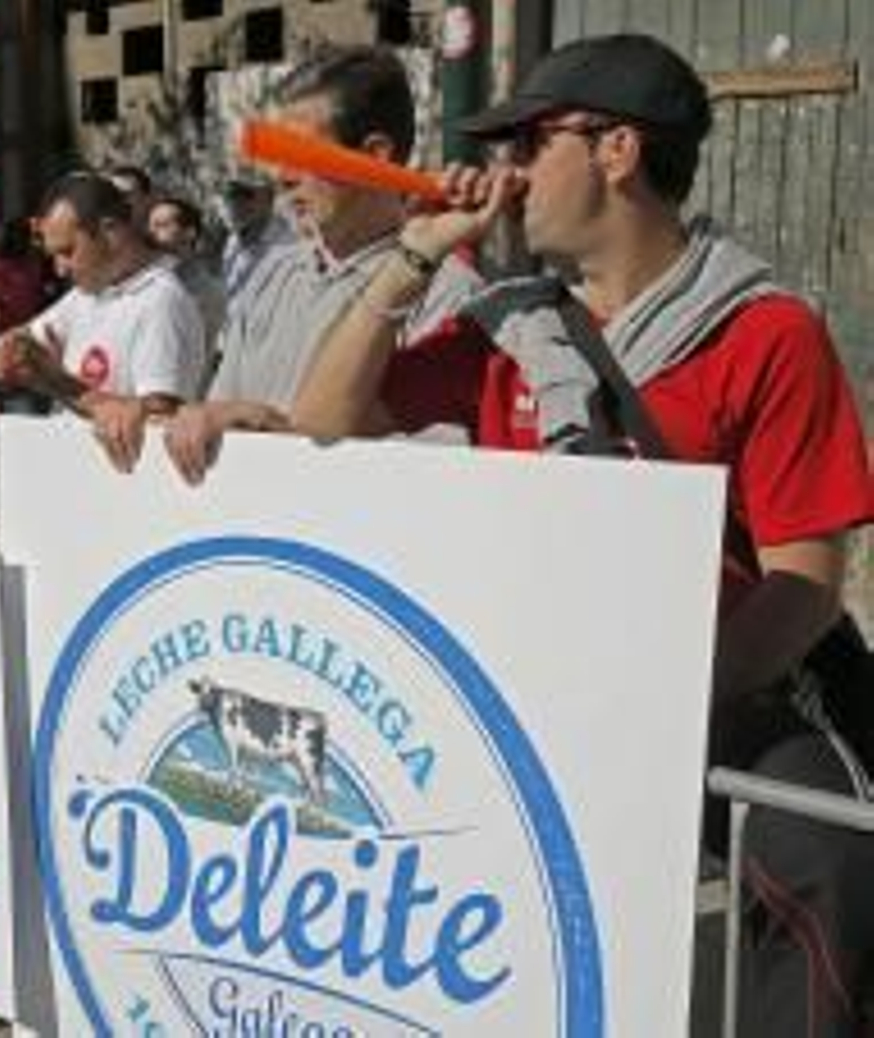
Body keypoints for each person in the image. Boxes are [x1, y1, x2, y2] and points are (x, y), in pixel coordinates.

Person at [286, 34, 874, 1036]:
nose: (504, 170)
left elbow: (805, 582)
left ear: (617, 151)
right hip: (534, 693)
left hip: (718, 688)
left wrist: (649, 715)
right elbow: (320, 419)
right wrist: (419, 254)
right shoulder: (510, 327)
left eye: (528, 140)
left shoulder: (764, 332)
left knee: (826, 863)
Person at [164, 45, 484, 483]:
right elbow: (216, 421)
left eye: (301, 153)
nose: (281, 176)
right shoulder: (270, 275)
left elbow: (424, 480)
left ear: (375, 156)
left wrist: (274, 429)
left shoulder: (449, 295)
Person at [0, 172, 206, 474]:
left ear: (110, 231)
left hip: (123, 496)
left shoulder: (160, 302)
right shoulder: (90, 293)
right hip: (79, 484)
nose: (59, 270)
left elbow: (159, 423)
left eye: (68, 252)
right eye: (54, 255)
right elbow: (22, 339)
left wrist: (52, 379)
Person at [148, 195, 227, 348]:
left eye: (161, 225)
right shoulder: (146, 278)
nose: (151, 233)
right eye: (150, 225)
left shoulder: (206, 290)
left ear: (189, 233)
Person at [219, 174, 295, 319]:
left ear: (268, 199)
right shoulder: (233, 243)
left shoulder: (288, 247)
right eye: (231, 195)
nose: (236, 203)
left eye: (247, 195)